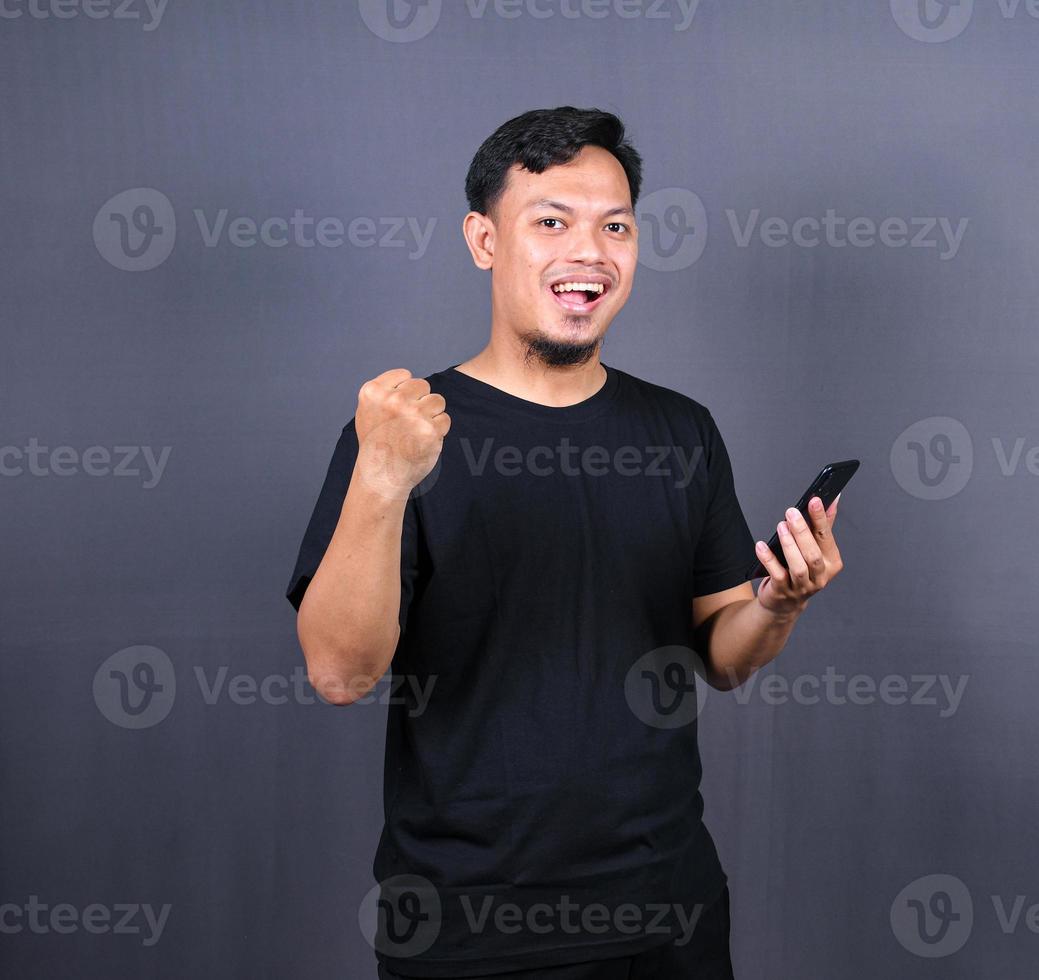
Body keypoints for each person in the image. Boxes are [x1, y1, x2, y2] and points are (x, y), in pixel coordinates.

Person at [285, 107, 847, 978]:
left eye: (614, 226)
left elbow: (727, 657)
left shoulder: (680, 430)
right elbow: (340, 673)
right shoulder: (402, 431)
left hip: (668, 917)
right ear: (483, 240)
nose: (589, 252)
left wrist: (779, 603)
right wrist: (383, 480)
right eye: (551, 221)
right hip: (466, 929)